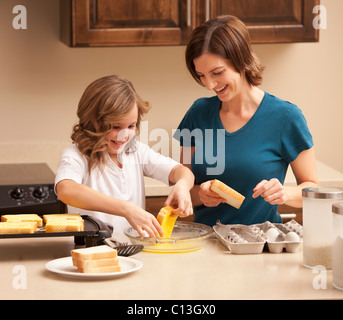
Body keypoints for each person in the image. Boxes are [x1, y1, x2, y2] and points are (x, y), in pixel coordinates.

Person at [173, 15, 318, 227]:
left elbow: (312, 188)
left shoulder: (286, 117)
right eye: (201, 75)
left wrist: (285, 193)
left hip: (258, 245)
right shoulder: (197, 114)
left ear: (241, 60)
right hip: (204, 242)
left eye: (217, 72)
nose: (209, 85)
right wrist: (200, 194)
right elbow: (182, 187)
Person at [55, 75, 194, 238]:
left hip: (134, 253)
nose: (124, 135)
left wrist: (183, 185)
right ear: (91, 121)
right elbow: (66, 190)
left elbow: (182, 172)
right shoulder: (76, 155)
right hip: (93, 252)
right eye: (115, 126)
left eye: (131, 126)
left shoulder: (136, 151)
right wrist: (126, 209)